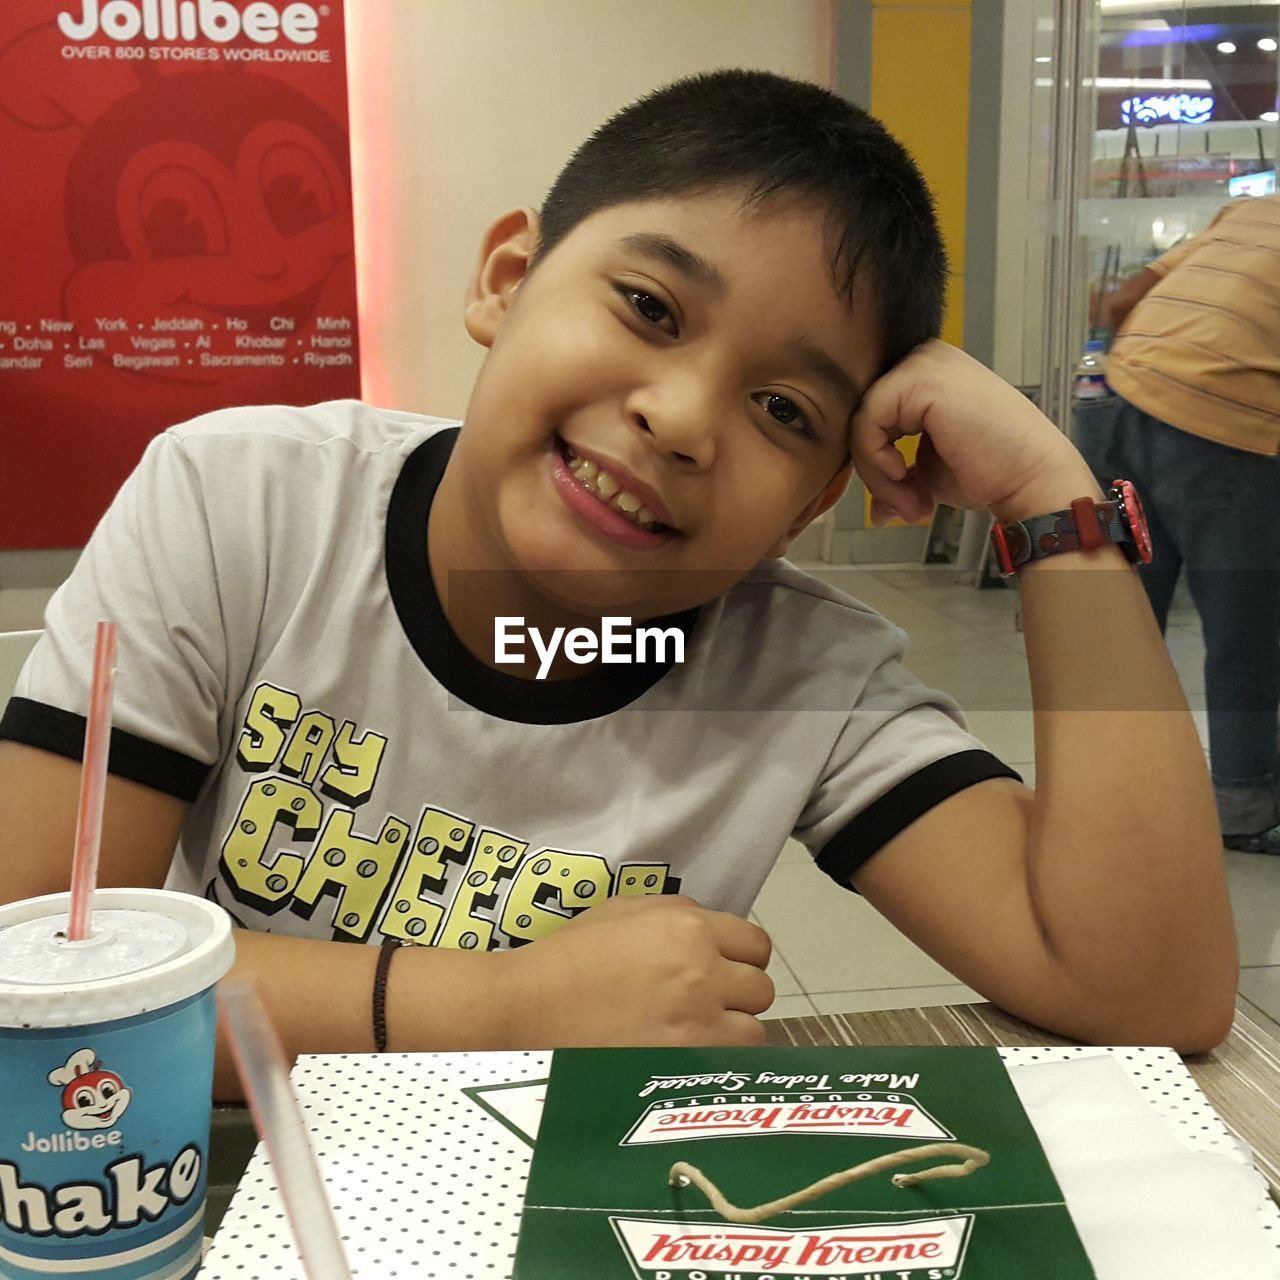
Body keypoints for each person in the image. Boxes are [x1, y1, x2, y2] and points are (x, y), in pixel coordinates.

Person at [0, 70, 1236, 1099]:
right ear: (504, 280)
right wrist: (490, 1005)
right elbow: (27, 984)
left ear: (811, 502)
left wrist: (1052, 504)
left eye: (782, 408)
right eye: (648, 305)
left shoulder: (799, 677)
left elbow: (1145, 987)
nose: (683, 416)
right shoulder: (244, 505)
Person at [1085, 193, 1280, 854]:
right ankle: (1243, 804)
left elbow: (1116, 302)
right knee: (1245, 626)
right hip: (1221, 420)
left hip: (1119, 402)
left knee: (1126, 621)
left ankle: (1103, 791)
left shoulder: (1254, 211)